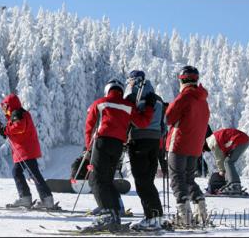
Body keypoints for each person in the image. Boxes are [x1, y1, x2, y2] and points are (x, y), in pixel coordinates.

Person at [83, 78, 155, 232]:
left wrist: (89, 148)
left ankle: (106, 215)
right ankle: (114, 215)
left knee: (96, 179)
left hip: (102, 142)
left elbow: (90, 126)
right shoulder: (128, 106)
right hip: (118, 146)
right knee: (107, 180)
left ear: (108, 90)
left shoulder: (100, 103)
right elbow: (143, 123)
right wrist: (149, 106)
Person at [165, 66, 210, 226]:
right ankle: (201, 213)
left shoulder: (184, 97)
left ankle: (184, 216)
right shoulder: (203, 100)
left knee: (177, 179)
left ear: (182, 80)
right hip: (195, 147)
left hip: (178, 144)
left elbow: (169, 118)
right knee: (189, 179)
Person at [0, 93, 55, 209]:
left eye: (5, 106)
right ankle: (26, 198)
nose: (4, 109)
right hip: (23, 150)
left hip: (26, 150)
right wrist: (4, 130)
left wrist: (5, 129)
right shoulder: (16, 114)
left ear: (10, 105)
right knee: (18, 173)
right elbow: (15, 129)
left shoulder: (18, 113)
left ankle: (45, 199)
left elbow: (19, 127)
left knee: (33, 174)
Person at [124, 70, 165, 230]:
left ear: (134, 80)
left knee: (142, 181)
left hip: (139, 139)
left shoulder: (133, 96)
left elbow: (130, 117)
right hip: (155, 141)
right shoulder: (157, 98)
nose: (129, 83)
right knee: (148, 180)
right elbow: (163, 123)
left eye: (130, 80)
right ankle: (156, 215)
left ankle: (152, 218)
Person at [204, 128, 249, 194]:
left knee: (228, 162)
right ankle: (232, 184)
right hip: (243, 139)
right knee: (228, 161)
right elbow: (224, 155)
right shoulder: (214, 137)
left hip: (240, 140)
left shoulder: (211, 141)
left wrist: (221, 171)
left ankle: (234, 185)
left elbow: (219, 157)